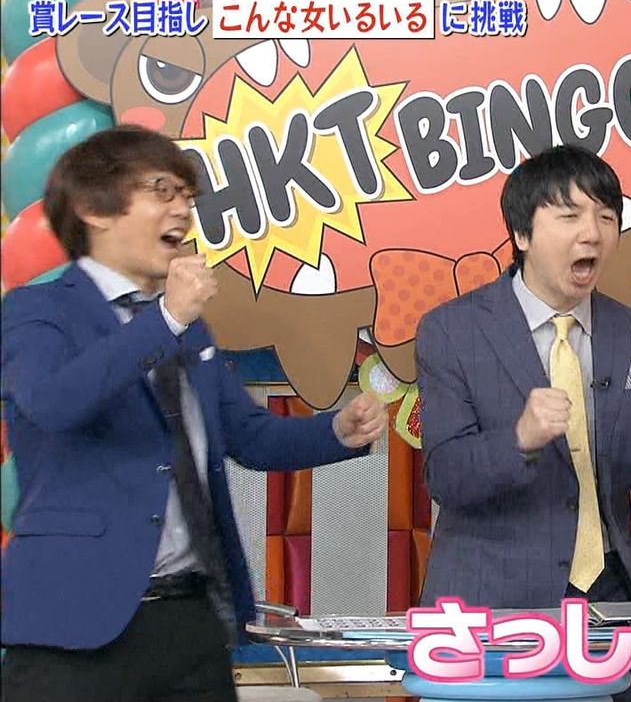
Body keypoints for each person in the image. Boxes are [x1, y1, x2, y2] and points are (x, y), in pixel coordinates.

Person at [0, 125, 388, 702]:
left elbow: (248, 437)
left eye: (187, 195)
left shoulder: (186, 327)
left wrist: (336, 431)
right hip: (72, 626)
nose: (182, 210)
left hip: (190, 620)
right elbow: (55, 404)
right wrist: (167, 320)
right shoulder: (38, 310)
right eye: (161, 190)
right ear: (92, 209)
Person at [415, 145, 631, 701]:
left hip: (609, 607)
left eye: (606, 217)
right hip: (495, 611)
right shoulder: (451, 332)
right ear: (522, 234)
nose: (592, 233)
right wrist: (519, 439)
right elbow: (445, 476)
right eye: (569, 216)